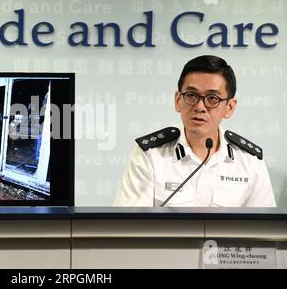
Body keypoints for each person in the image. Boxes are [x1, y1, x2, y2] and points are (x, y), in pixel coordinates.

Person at [114, 55, 276, 207]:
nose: (199, 107)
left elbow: (264, 230)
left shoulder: (249, 160)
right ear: (178, 100)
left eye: (213, 98)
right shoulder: (151, 154)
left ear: (229, 107)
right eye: (191, 95)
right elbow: (129, 227)